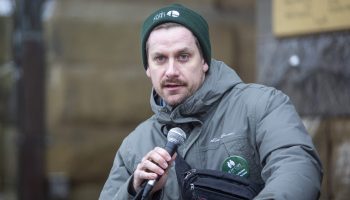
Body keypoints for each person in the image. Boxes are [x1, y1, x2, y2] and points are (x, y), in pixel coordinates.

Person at [100, 3, 323, 200]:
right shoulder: (134, 145)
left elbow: (298, 169)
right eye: (160, 58)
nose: (171, 71)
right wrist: (134, 190)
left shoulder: (262, 106)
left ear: (204, 60)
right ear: (148, 68)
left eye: (183, 56)